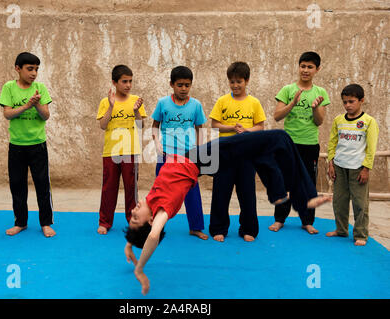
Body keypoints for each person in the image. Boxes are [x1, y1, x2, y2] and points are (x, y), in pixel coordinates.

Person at [124, 129, 331, 295]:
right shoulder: (163, 209)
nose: (134, 210)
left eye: (131, 214)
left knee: (259, 150)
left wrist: (130, 243)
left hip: (203, 158)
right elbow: (152, 235)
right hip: (203, 158)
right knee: (279, 138)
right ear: (151, 220)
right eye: (135, 216)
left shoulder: (150, 200)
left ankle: (282, 193)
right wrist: (140, 268)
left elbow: (144, 231)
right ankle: (304, 198)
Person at [269, 51, 330, 235]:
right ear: (298, 67)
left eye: (310, 67)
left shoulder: (320, 93)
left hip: (310, 145)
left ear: (317, 69)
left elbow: (319, 121)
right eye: (302, 66)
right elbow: (277, 116)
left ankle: (307, 221)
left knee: (307, 184)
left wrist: (314, 108)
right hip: (288, 144)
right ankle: (279, 220)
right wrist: (292, 103)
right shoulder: (287, 90)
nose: (305, 70)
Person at [0, 52, 55, 237]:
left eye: (36, 69)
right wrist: (26, 106)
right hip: (16, 145)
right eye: (30, 69)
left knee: (42, 185)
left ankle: (46, 223)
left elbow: (46, 115)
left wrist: (37, 104)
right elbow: (7, 114)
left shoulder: (40, 88)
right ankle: (20, 222)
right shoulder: (9, 87)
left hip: (38, 145)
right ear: (18, 69)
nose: (34, 73)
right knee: (17, 185)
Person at [208, 61, 266, 242]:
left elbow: (260, 127)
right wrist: (231, 127)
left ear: (246, 81)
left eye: (239, 81)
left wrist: (247, 131)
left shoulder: (254, 103)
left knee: (247, 193)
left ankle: (248, 229)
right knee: (220, 192)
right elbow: (215, 124)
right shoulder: (222, 101)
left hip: (247, 155)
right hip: (224, 154)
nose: (235, 85)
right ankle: (218, 228)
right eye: (232, 82)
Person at [151, 66, 208, 240]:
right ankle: (156, 227)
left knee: (192, 192)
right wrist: (157, 143)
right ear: (171, 84)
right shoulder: (163, 103)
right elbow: (155, 126)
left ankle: (196, 227)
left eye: (187, 85)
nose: (183, 89)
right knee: (161, 191)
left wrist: (198, 150)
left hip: (188, 155)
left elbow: (199, 129)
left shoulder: (196, 105)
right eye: (180, 85)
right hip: (166, 154)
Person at [96, 65, 146, 235]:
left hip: (130, 151)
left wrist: (136, 111)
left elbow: (141, 125)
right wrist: (111, 107)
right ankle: (105, 222)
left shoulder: (136, 100)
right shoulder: (105, 101)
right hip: (111, 152)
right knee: (109, 187)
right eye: (124, 81)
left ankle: (133, 220)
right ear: (114, 82)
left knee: (131, 188)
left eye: (130, 81)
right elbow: (103, 126)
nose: (128, 85)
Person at [326, 84, 379, 246]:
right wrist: (331, 162)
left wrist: (366, 168)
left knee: (360, 203)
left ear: (361, 101)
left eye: (351, 101)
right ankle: (341, 230)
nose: (348, 105)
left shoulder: (368, 122)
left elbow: (371, 147)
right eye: (345, 102)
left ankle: (361, 234)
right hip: (340, 167)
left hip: (358, 168)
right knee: (339, 201)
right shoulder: (338, 120)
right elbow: (333, 142)